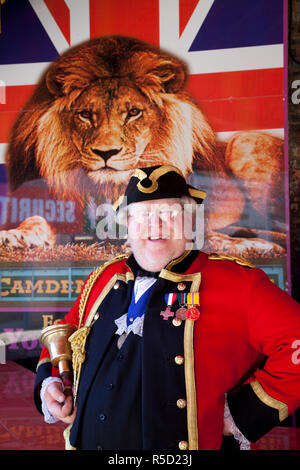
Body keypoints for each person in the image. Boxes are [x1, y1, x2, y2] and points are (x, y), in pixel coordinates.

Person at [34, 164, 300, 451]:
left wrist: (243, 414)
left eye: (168, 213)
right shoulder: (103, 279)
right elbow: (65, 337)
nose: (154, 224)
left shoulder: (240, 284)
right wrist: (50, 384)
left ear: (189, 221)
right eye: (142, 215)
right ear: (128, 225)